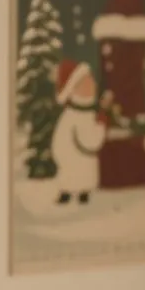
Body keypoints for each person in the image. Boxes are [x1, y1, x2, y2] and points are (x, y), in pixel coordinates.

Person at [49, 59, 105, 204]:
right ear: (73, 89)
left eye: (91, 80)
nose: (92, 84)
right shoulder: (71, 116)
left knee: (85, 172)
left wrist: (100, 124)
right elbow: (89, 142)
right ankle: (67, 192)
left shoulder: (90, 115)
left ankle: (83, 193)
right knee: (71, 173)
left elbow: (94, 142)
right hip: (68, 163)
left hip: (85, 164)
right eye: (85, 83)